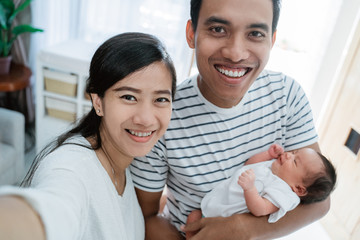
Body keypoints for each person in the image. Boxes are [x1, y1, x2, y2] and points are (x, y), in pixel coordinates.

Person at [130, 0, 331, 239]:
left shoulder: (287, 95)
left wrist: (243, 228)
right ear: (191, 33)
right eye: (217, 29)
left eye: (255, 33)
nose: (235, 53)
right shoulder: (160, 115)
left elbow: (319, 201)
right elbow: (146, 217)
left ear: (271, 40)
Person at [0, 32, 177, 240]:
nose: (146, 119)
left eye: (161, 99)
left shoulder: (124, 160)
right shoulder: (71, 167)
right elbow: (53, 209)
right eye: (129, 97)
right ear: (98, 102)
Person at [185, 144, 336, 238]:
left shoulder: (284, 193)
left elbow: (261, 209)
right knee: (193, 217)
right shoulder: (274, 167)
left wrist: (250, 189)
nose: (289, 154)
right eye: (295, 152)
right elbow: (248, 166)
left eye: (295, 161)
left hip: (225, 223)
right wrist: (268, 155)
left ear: (299, 188)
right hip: (215, 205)